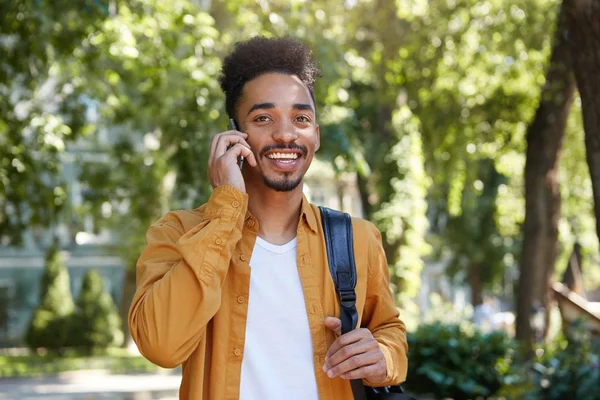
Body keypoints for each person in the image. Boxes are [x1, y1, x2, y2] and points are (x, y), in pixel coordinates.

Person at [128, 36, 408, 400]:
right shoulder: (178, 232)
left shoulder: (357, 238)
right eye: (263, 118)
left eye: (301, 118)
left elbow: (390, 332)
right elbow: (160, 345)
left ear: (316, 135)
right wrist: (227, 209)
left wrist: (382, 357)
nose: (286, 134)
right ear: (233, 133)